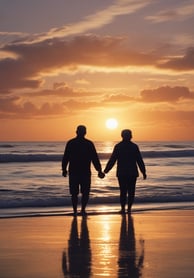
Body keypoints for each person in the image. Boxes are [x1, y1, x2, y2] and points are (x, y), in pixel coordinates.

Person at [62, 125, 104, 215]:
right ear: (84, 132)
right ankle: (81, 210)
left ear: (76, 132)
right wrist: (99, 170)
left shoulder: (72, 143)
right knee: (83, 193)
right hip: (81, 172)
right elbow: (95, 158)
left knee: (76, 193)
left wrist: (64, 169)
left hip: (76, 172)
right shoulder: (87, 143)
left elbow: (66, 157)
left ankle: (77, 211)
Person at [104, 129, 146, 214]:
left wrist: (105, 171)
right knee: (130, 192)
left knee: (123, 191)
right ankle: (128, 209)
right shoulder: (133, 146)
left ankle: (124, 209)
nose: (130, 136)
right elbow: (139, 160)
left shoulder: (119, 146)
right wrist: (143, 172)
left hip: (123, 173)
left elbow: (112, 160)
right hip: (131, 173)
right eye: (129, 135)